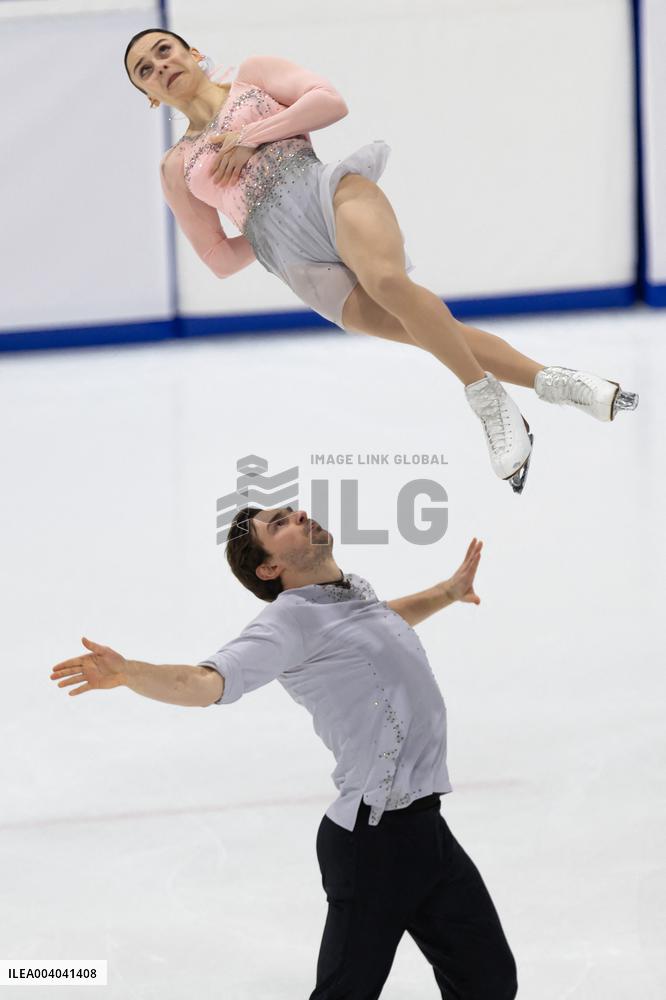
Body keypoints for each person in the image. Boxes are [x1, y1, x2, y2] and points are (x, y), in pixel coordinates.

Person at [123, 30, 639, 494]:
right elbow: (216, 256)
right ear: (150, 96)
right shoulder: (175, 168)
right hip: (295, 260)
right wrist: (260, 228)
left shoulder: (253, 77)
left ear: (191, 52)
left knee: (388, 281)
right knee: (428, 329)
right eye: (145, 69)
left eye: (163, 51)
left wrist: (250, 137)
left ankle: (488, 403)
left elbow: (329, 102)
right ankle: (558, 384)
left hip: (328, 194)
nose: (160, 65)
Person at [50, 505, 518, 998]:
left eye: (291, 510)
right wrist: (130, 673)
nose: (299, 514)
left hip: (425, 828)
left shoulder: (348, 593)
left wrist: (447, 592)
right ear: (269, 569)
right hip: (372, 842)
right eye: (280, 524)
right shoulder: (286, 623)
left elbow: (379, 623)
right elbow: (205, 682)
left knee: (487, 981)